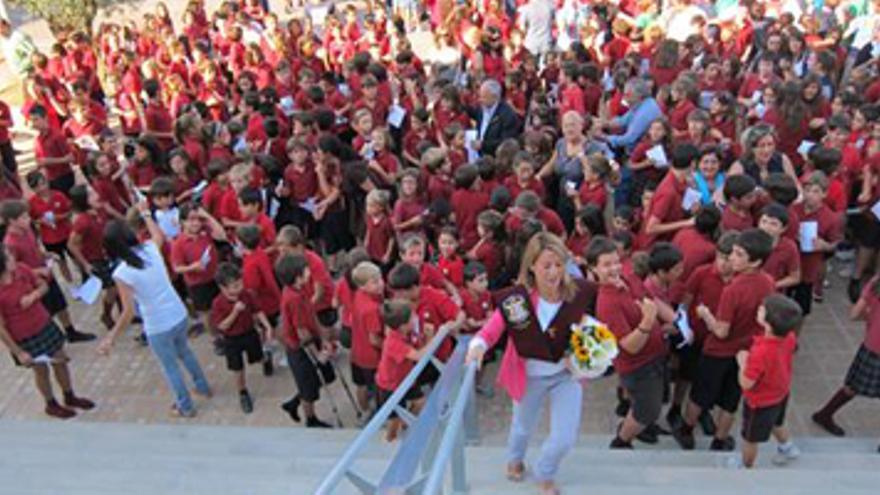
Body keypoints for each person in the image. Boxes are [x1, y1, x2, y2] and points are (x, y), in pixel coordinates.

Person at [466, 232, 597, 495]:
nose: (553, 272)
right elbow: (492, 330)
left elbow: (588, 327)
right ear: (532, 267)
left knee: (565, 437)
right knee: (523, 426)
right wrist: (477, 346)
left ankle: (545, 472)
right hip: (530, 376)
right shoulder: (519, 301)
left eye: (558, 265)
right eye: (546, 265)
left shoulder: (577, 293)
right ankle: (515, 458)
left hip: (565, 375)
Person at [97, 205, 212, 418]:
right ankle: (202, 386)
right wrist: (146, 214)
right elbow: (159, 234)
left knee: (170, 367)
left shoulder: (122, 273)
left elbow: (128, 312)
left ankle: (185, 405)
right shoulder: (150, 249)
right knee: (185, 352)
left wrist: (111, 337)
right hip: (177, 312)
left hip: (157, 324)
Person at [0, 248, 94, 419]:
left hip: (44, 323)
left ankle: (69, 395)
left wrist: (33, 296)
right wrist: (19, 352)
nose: (12, 258)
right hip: (24, 336)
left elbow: (43, 285)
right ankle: (50, 404)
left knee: (61, 360)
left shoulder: (21, 269)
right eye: (8, 258)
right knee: (41, 370)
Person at [734, 293, 802, 468]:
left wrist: (743, 361)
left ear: (768, 323)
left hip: (759, 402)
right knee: (777, 422)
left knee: (750, 438)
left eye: (762, 310)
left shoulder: (760, 352)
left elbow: (746, 383)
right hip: (780, 393)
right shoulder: (789, 337)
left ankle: (746, 465)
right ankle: (787, 448)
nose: (758, 309)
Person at [210, 262, 274, 414]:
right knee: (237, 369)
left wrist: (267, 326)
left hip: (249, 333)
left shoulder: (247, 294)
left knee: (258, 357)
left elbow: (257, 310)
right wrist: (235, 312)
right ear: (223, 288)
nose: (239, 288)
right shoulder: (218, 303)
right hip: (231, 340)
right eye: (234, 286)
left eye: (240, 283)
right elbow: (222, 326)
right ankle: (243, 392)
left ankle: (266, 359)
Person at [467, 79, 521, 157]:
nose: (480, 100)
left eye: (484, 97)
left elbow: (506, 142)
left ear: (495, 97)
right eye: (480, 96)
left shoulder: (508, 115)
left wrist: (483, 145)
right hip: (478, 154)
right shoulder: (482, 108)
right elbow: (473, 113)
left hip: (495, 158)